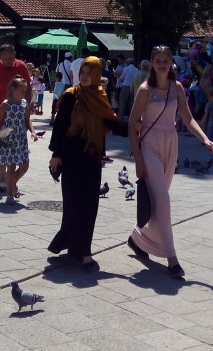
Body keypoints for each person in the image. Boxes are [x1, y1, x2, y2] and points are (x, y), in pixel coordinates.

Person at [127, 45, 213, 279]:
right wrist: (138, 160)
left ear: (171, 63)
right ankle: (172, 259)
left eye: (165, 60)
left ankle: (137, 238)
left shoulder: (177, 87)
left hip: (171, 143)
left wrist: (204, 139)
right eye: (158, 60)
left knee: (159, 200)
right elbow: (132, 124)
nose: (162, 64)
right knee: (163, 200)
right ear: (152, 63)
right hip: (149, 144)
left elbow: (188, 118)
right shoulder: (145, 89)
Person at [48, 56, 127, 272]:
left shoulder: (100, 97)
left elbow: (112, 123)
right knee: (74, 204)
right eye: (82, 73)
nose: (84, 77)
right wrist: (56, 154)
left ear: (97, 75)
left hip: (92, 158)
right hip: (72, 157)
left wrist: (137, 129)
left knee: (89, 205)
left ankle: (80, 248)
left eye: (89, 73)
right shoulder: (71, 96)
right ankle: (79, 250)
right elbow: (60, 126)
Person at [0, 44, 31, 191]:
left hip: (17, 112)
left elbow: (28, 87)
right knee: (1, 144)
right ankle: (3, 179)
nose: (8, 61)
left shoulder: (21, 66)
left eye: (11, 58)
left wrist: (28, 105)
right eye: (5, 59)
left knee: (15, 145)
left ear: (15, 54)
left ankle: (11, 180)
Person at [0, 76, 37, 203]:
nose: (24, 93)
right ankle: (10, 195)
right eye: (21, 90)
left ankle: (11, 184)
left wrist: (33, 132)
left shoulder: (24, 104)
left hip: (21, 140)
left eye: (25, 90)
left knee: (24, 166)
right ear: (13, 89)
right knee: (11, 166)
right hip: (9, 139)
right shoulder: (5, 104)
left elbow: (27, 120)